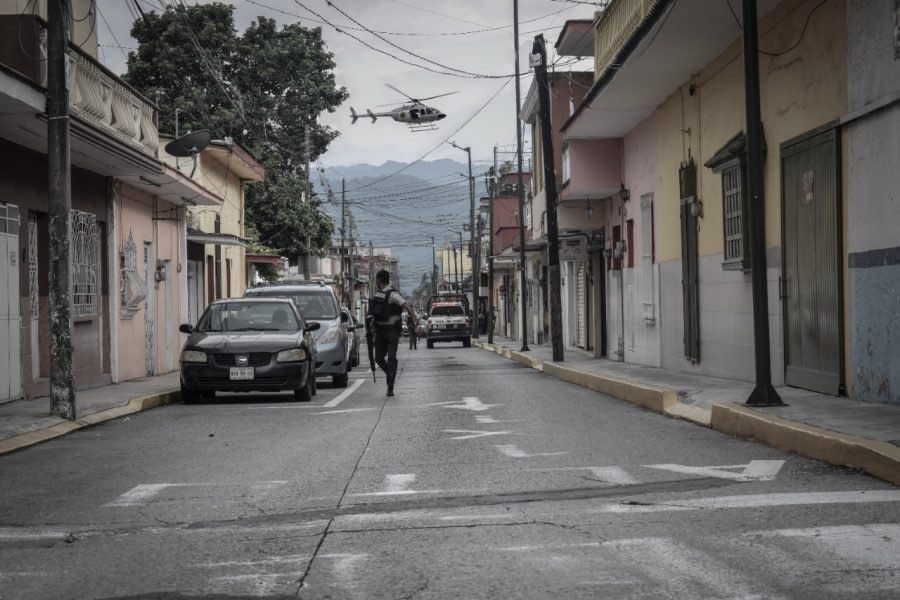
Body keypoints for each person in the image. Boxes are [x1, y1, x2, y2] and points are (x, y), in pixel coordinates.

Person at [367, 269, 418, 397]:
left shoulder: (394, 295)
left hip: (392, 331)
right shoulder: (377, 295)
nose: (376, 283)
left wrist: (416, 323)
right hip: (380, 331)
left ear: (379, 280)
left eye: (376, 280)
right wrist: (371, 324)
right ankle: (390, 373)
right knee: (378, 358)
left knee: (391, 357)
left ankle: (390, 386)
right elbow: (374, 314)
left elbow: (408, 306)